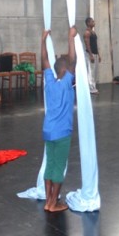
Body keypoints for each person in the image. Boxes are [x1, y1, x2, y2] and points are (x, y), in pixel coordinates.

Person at [41, 25, 77, 212]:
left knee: (50, 164)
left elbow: (45, 60)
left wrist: (43, 40)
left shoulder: (50, 81)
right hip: (62, 132)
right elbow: (73, 60)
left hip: (48, 131)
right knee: (59, 168)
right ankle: (54, 203)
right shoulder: (66, 83)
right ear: (65, 70)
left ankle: (48, 201)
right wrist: (71, 37)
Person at [84, 17, 100, 95]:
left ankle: (94, 87)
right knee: (91, 72)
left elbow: (95, 44)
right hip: (90, 54)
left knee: (94, 72)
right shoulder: (87, 33)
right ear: (88, 23)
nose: (94, 22)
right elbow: (87, 45)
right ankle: (91, 89)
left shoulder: (93, 32)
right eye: (92, 21)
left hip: (95, 53)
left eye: (94, 21)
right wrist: (91, 55)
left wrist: (98, 54)